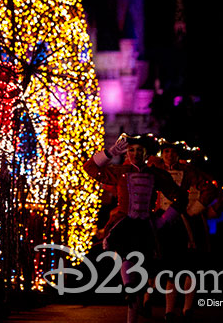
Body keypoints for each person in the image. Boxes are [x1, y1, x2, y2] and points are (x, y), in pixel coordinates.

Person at [84, 133, 188, 323]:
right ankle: (130, 293)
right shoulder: (120, 172)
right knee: (128, 259)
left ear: (146, 153)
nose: (135, 154)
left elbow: (181, 197)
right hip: (125, 224)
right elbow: (90, 167)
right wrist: (109, 152)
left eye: (139, 150)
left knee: (144, 270)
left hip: (147, 226)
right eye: (131, 150)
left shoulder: (155, 174)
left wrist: (165, 218)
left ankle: (138, 304)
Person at [152, 140, 219, 321]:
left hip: (187, 223)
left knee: (190, 267)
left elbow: (210, 189)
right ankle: (168, 310)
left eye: (172, 152)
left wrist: (194, 209)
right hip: (165, 223)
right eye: (165, 151)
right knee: (168, 269)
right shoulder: (155, 169)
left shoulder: (189, 171)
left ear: (178, 154)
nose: (169, 155)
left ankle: (187, 309)